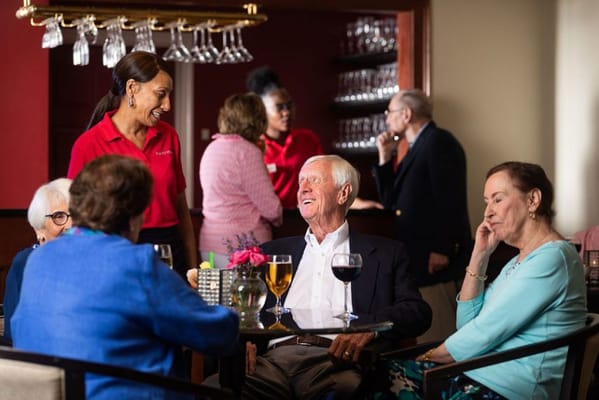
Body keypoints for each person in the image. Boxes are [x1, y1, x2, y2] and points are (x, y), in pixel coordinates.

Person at [189, 154, 432, 399]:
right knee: (213, 391)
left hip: (335, 363)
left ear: (343, 193)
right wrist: (243, 341)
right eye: (300, 182)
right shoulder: (273, 253)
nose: (302, 189)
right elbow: (244, 308)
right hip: (270, 362)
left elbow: (417, 312)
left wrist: (369, 330)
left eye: (313, 181)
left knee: (346, 392)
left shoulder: (385, 253)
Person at [11, 155, 240, 400]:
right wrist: (231, 309)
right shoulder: (135, 264)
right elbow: (217, 334)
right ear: (134, 218)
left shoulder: (38, 260)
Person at [369, 161, 587, 400]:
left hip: (510, 389)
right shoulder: (518, 261)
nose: (487, 212)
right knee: (371, 374)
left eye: (498, 199)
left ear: (533, 199)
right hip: (477, 375)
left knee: (379, 381)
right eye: (487, 202)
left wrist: (430, 356)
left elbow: (484, 332)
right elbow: (468, 325)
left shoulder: (553, 257)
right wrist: (479, 255)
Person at [67, 51, 196, 279]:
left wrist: (193, 266)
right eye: (160, 94)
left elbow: (181, 208)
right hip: (116, 250)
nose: (167, 105)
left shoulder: (169, 136)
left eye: (169, 95)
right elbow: (76, 218)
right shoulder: (88, 144)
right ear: (132, 89)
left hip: (170, 250)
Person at [373, 89, 472, 342]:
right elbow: (390, 202)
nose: (387, 120)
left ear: (406, 114)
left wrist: (442, 248)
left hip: (435, 257)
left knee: (439, 332)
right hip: (418, 255)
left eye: (390, 113)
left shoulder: (439, 141)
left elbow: (449, 199)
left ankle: (442, 381)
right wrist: (385, 158)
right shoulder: (416, 146)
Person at [199, 93, 283, 268]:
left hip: (209, 246)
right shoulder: (247, 152)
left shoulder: (212, 148)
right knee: (250, 296)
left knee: (215, 296)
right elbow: (272, 209)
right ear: (256, 120)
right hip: (242, 249)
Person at [2, 178, 72, 343]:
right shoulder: (24, 263)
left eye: (75, 215)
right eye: (59, 216)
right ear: (39, 229)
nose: (70, 225)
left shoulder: (93, 262)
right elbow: (13, 333)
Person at [247, 66, 323, 209]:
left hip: (304, 218)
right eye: (279, 107)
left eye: (289, 106)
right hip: (266, 221)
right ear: (263, 111)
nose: (286, 112)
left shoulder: (308, 139)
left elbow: (325, 182)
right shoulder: (254, 146)